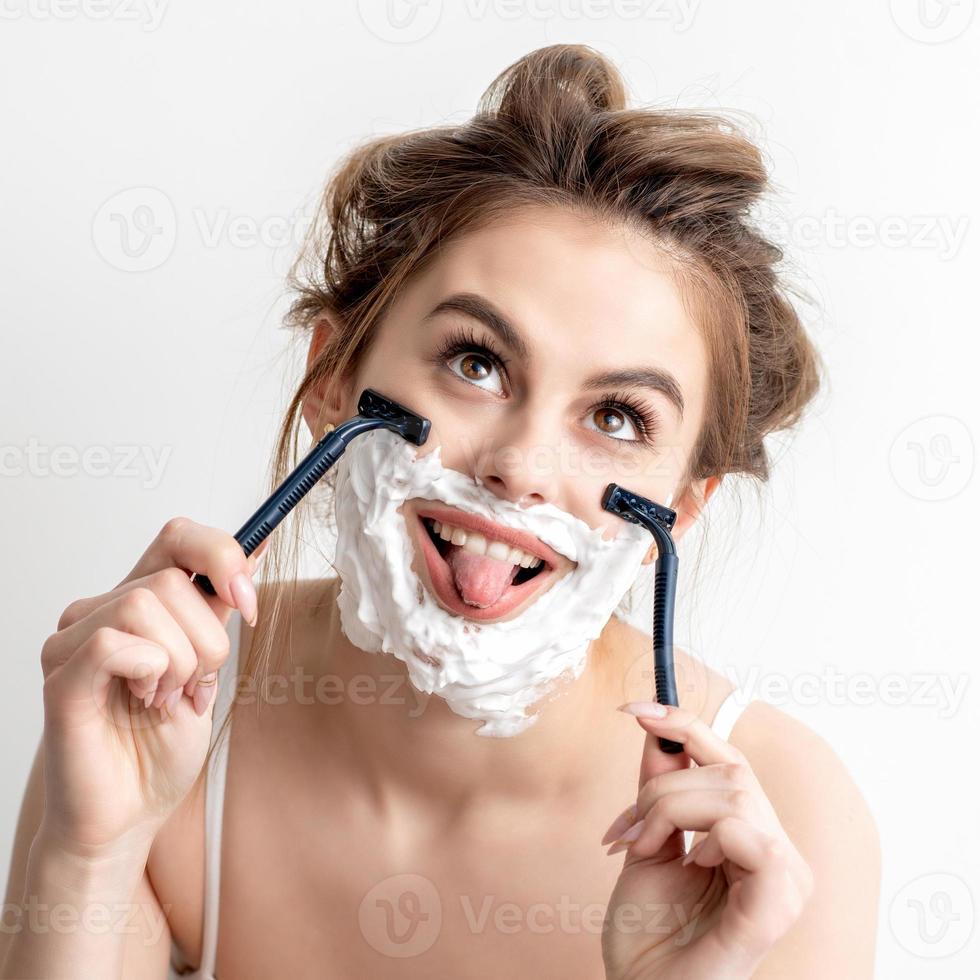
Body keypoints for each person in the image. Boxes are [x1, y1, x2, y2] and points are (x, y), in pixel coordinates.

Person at [1, 44, 879, 979]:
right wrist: (87, 855)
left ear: (683, 507)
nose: (518, 470)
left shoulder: (778, 831)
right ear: (334, 377)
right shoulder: (163, 710)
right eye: (477, 363)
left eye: (618, 417)